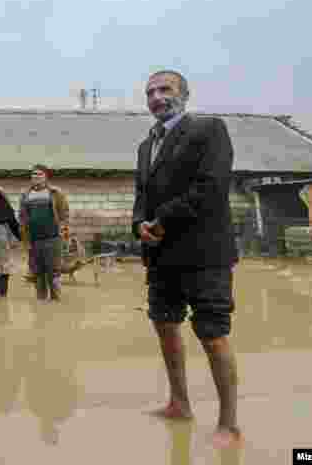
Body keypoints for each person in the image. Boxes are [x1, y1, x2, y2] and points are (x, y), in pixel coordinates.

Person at [132, 69, 241, 448]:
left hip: (204, 252)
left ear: (186, 94)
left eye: (165, 89)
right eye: (150, 93)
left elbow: (211, 187)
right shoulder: (147, 145)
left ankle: (229, 424)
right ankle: (180, 403)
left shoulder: (209, 129)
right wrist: (138, 226)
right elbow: (141, 197)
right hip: (161, 255)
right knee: (164, 325)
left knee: (213, 334)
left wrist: (162, 221)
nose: (157, 97)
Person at [20, 165, 70, 301]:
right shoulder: (26, 195)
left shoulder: (55, 193)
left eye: (39, 174)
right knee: (38, 272)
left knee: (54, 272)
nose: (36, 177)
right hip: (34, 240)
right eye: (33, 174)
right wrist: (25, 240)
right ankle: (41, 301)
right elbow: (23, 217)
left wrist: (64, 236)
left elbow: (64, 215)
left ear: (46, 177)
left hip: (53, 238)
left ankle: (56, 301)